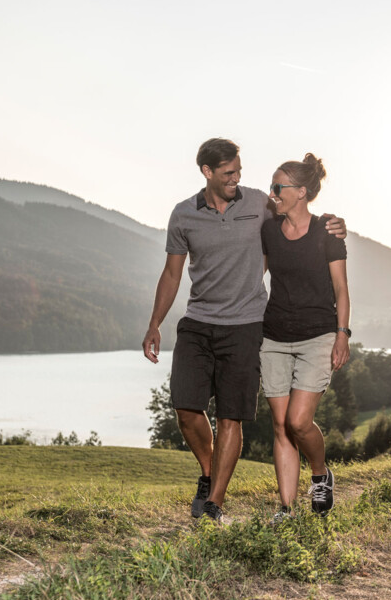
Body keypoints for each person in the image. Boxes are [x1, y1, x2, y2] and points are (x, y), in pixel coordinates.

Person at [142, 138, 345, 523]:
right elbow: (171, 273)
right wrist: (155, 323)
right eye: (228, 173)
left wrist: (336, 224)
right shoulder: (183, 215)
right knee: (186, 408)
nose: (237, 178)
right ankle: (209, 472)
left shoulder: (258, 203)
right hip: (198, 322)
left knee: (231, 417)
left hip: (247, 325)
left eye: (239, 170)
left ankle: (214, 503)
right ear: (207, 172)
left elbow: (300, 213)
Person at [260, 153, 350, 521]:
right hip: (274, 337)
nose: (272, 193)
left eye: (278, 187)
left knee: (298, 421)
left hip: (318, 336)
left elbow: (341, 289)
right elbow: (254, 277)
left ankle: (320, 473)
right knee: (280, 426)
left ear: (300, 192)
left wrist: (342, 334)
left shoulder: (327, 231)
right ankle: (286, 508)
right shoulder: (268, 230)